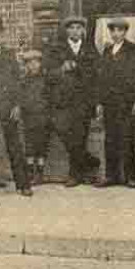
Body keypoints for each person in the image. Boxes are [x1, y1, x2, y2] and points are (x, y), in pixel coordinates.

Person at [44, 16, 100, 187]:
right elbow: (48, 74)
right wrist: (61, 69)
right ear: (66, 31)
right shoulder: (56, 49)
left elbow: (96, 75)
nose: (75, 31)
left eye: (78, 28)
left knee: (80, 136)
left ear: (83, 30)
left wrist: (96, 102)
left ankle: (75, 174)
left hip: (83, 101)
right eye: (72, 28)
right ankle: (90, 161)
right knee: (65, 132)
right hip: (63, 101)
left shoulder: (90, 49)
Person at [0, 16, 32, 197]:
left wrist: (17, 105)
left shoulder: (9, 56)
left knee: (15, 145)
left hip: (8, 106)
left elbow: (17, 83)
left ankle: (23, 184)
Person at [95, 18, 135, 188]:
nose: (116, 34)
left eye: (120, 30)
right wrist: (101, 102)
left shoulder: (134, 50)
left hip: (126, 101)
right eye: (113, 31)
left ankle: (131, 176)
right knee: (110, 139)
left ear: (125, 32)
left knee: (127, 138)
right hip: (110, 102)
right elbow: (101, 78)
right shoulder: (107, 51)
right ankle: (111, 176)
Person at [20, 49, 51, 185]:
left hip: (43, 117)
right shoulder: (23, 81)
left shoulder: (45, 80)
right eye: (30, 63)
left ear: (40, 64)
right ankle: (30, 172)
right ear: (26, 65)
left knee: (42, 145)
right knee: (30, 145)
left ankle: (40, 172)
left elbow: (50, 97)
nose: (33, 65)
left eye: (36, 62)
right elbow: (21, 97)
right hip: (29, 117)